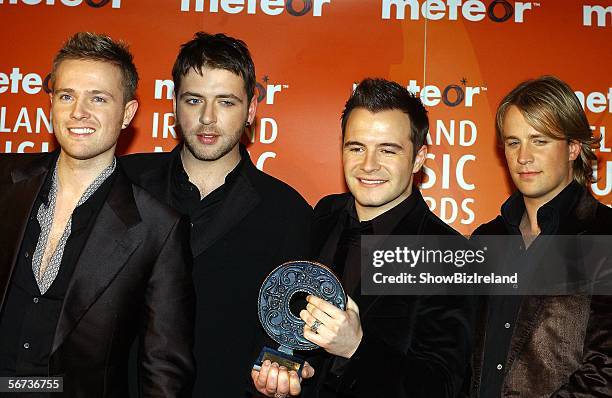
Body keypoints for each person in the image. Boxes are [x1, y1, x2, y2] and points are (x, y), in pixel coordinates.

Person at [0, 32, 194, 396]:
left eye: (98, 98)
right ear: (52, 105)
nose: (78, 112)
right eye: (66, 96)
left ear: (127, 114)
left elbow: (164, 368)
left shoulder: (157, 229)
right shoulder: (4, 183)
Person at [120, 32, 312, 398]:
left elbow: (290, 337)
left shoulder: (288, 213)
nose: (208, 119)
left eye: (225, 102)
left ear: (251, 109)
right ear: (175, 103)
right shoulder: (125, 184)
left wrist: (281, 375)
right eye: (194, 100)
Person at [272, 78, 472, 398]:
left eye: (387, 150)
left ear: (418, 158)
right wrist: (288, 369)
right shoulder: (323, 215)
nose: (368, 165)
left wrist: (356, 347)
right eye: (357, 147)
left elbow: (441, 386)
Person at [468, 76, 612, 397]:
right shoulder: (485, 239)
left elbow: (606, 369)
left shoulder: (604, 233)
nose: (523, 157)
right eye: (513, 141)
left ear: (573, 148)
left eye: (540, 140)